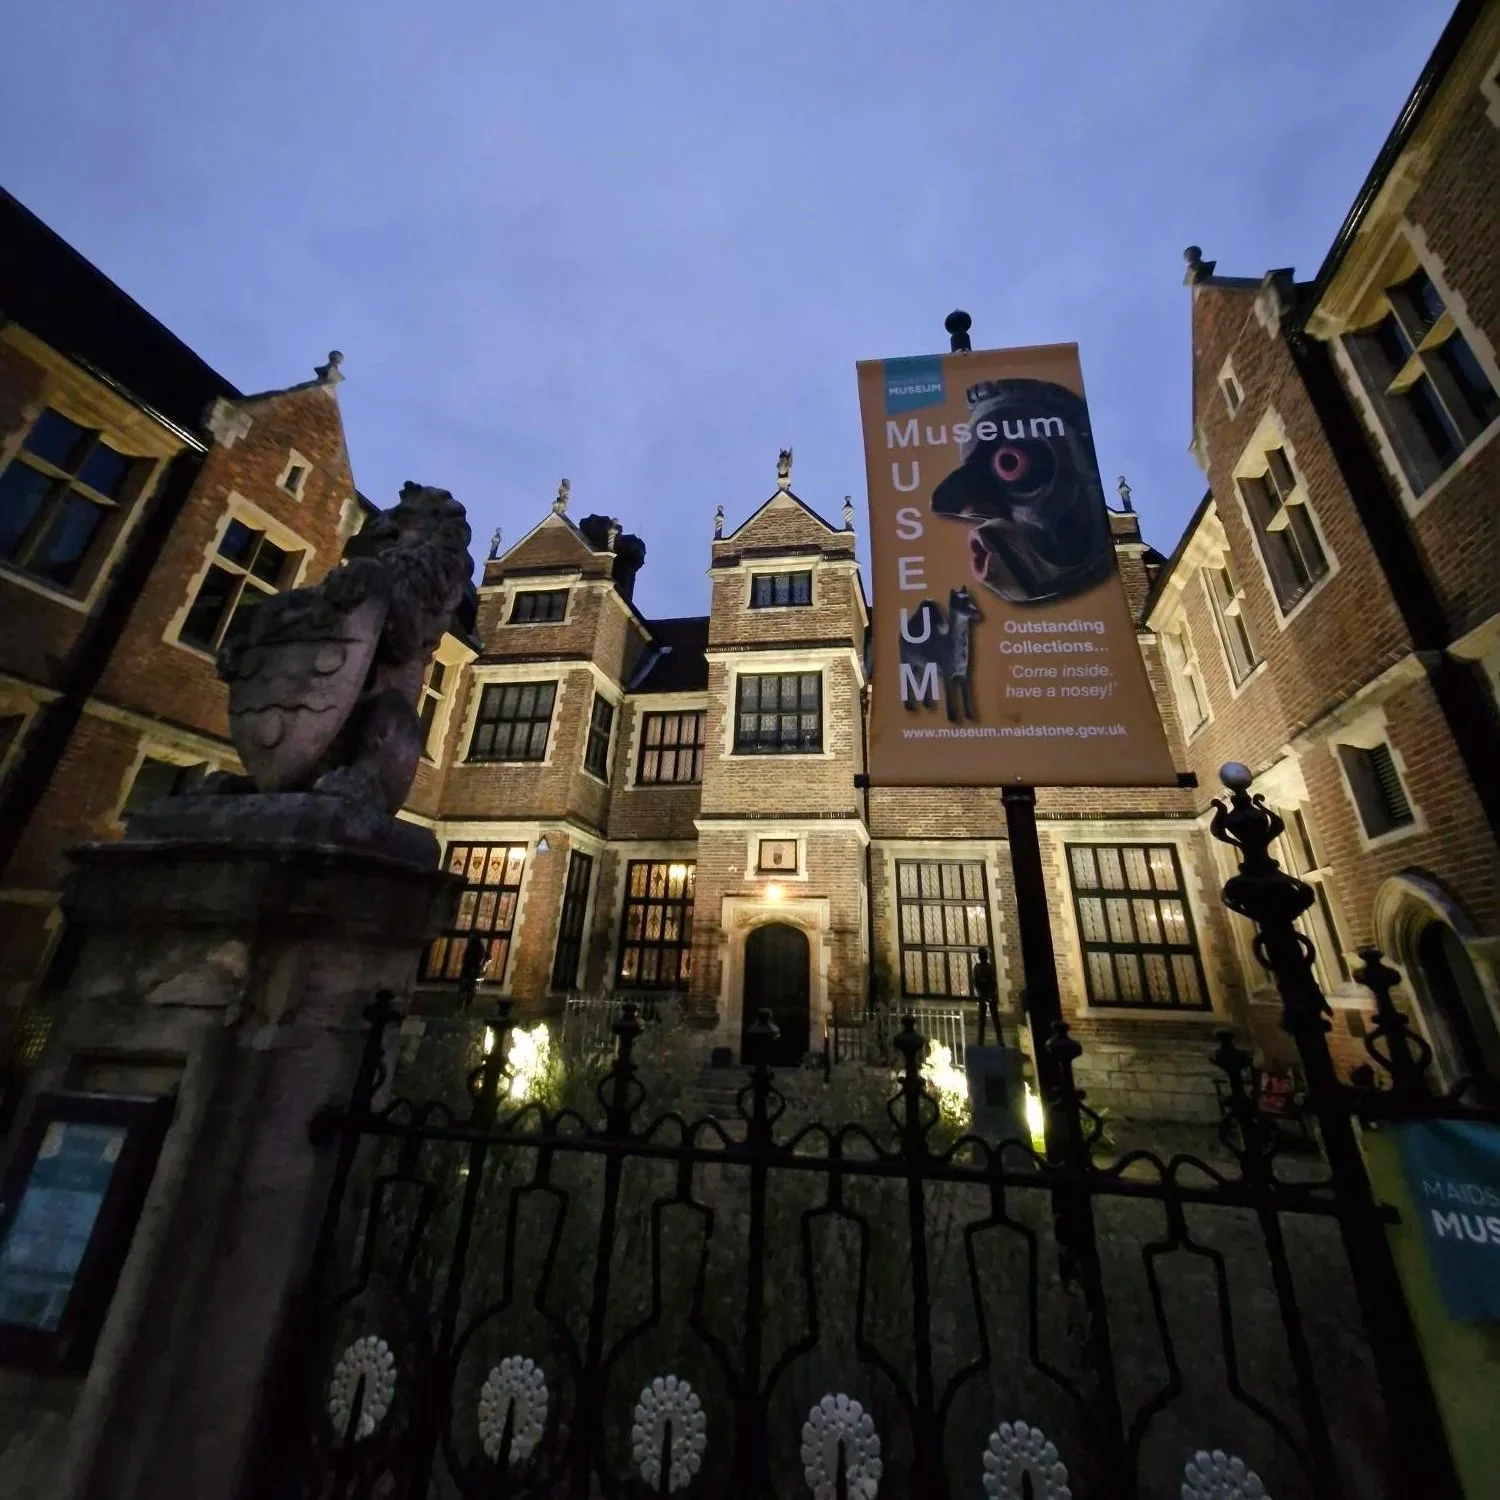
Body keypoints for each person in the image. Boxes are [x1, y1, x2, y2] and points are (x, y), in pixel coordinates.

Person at [970, 946, 1003, 1047]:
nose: (984, 956)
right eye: (983, 955)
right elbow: (976, 982)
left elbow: (993, 982)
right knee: (982, 1020)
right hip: (983, 996)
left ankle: (1000, 1039)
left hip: (991, 996)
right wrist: (982, 994)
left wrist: (989, 993)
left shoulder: (990, 967)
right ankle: (981, 1040)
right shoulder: (977, 968)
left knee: (995, 1019)